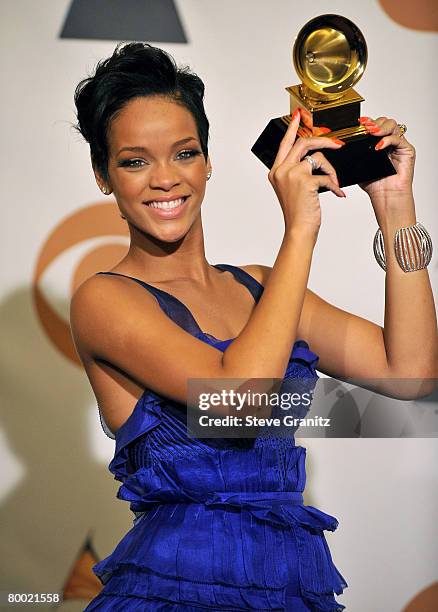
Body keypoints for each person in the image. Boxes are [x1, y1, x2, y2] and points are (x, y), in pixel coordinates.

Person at [69, 42, 437, 611]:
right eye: (135, 160)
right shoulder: (104, 300)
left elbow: (412, 373)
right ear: (102, 175)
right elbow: (240, 400)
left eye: (184, 153)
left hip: (294, 585)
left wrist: (395, 204)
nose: (165, 179)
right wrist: (300, 229)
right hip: (176, 592)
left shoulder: (263, 287)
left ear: (208, 160)